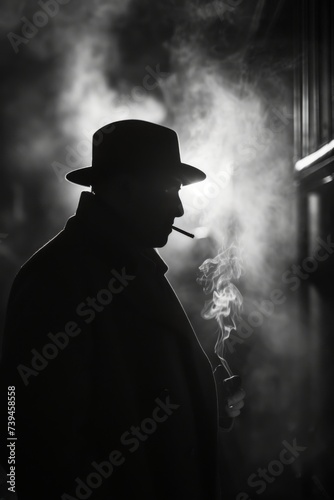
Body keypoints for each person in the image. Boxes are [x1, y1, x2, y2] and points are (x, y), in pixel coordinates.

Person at [0, 120, 245, 499]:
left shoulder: (133, 262)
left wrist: (203, 396)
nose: (179, 208)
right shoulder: (57, 278)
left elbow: (130, 393)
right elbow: (24, 441)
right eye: (169, 189)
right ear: (126, 189)